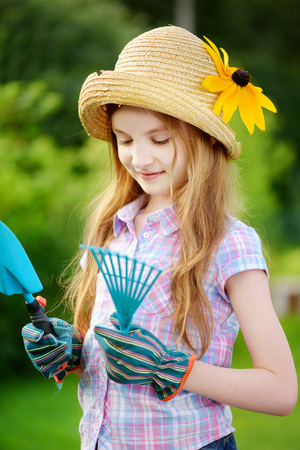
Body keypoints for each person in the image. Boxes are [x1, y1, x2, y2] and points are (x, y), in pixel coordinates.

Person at [22, 26, 298, 450]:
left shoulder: (228, 243)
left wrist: (174, 369)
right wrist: (74, 352)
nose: (139, 157)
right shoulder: (113, 231)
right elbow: (114, 356)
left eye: (161, 139)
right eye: (124, 139)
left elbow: (281, 392)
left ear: (205, 139)